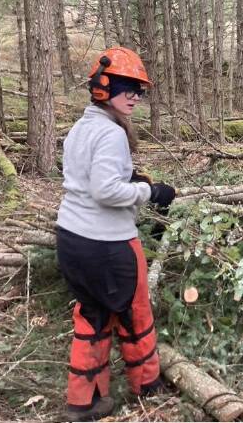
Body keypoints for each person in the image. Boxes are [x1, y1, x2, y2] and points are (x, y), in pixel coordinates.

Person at [56, 47, 176, 421]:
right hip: (108, 243)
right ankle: (147, 385)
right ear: (104, 88)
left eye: (141, 91)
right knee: (135, 313)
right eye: (130, 89)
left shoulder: (81, 127)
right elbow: (105, 191)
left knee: (91, 316)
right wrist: (149, 192)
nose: (136, 98)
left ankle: (85, 399)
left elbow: (86, 177)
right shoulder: (111, 134)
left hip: (72, 238)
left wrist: (130, 179)